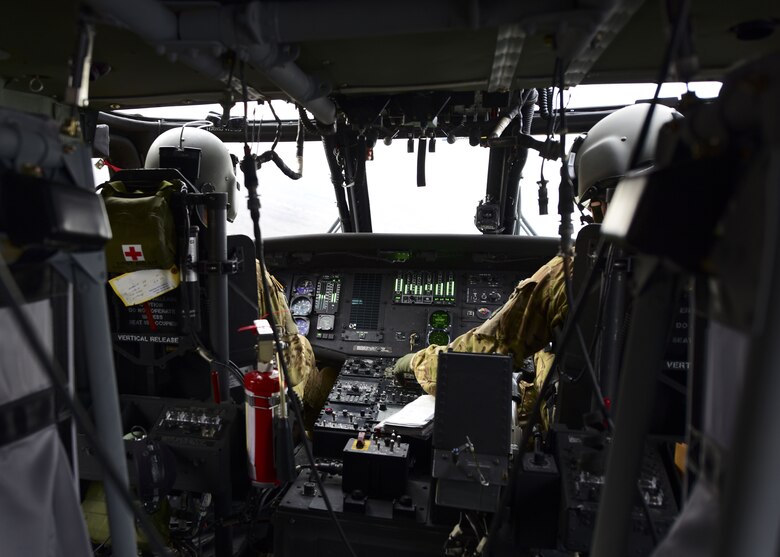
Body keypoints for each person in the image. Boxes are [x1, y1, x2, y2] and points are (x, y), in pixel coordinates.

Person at [393, 104, 682, 421]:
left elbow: (485, 354)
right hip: (689, 446)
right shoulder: (728, 270)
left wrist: (414, 363)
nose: (594, 214)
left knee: (536, 373)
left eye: (594, 205)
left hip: (586, 440)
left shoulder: (575, 270)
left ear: (605, 200)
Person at [144, 127, 332, 419]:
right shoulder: (242, 271)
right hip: (238, 427)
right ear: (226, 190)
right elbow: (293, 373)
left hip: (145, 415)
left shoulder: (108, 265)